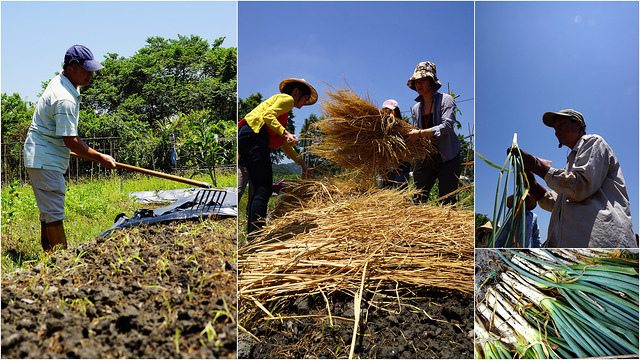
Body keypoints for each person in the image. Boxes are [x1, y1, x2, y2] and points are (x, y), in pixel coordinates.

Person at [23, 45, 117, 251]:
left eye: (91, 70)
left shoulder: (62, 81)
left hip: (41, 154)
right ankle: (61, 263)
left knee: (49, 213)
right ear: (70, 68)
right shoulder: (64, 97)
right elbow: (71, 141)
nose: (90, 75)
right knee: (54, 214)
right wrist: (100, 157)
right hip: (44, 158)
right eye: (85, 70)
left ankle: (48, 259)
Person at [517, 109, 636, 248]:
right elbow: (560, 204)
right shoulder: (571, 163)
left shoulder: (593, 142)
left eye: (561, 124)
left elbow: (580, 186)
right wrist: (532, 184)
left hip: (601, 244)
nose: (556, 130)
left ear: (578, 124)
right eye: (555, 128)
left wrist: (536, 165)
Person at [238, 78, 316, 234]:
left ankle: (252, 235)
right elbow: (268, 116)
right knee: (264, 188)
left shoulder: (281, 109)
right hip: (254, 134)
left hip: (246, 135)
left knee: (258, 187)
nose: (302, 105)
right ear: (296, 92)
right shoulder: (287, 99)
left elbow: (282, 143)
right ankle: (256, 237)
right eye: (305, 98)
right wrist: (286, 133)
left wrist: (301, 163)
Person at [404, 61, 461, 205]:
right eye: (416, 81)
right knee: (417, 197)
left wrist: (420, 133)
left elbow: (447, 126)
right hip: (426, 157)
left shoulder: (446, 100)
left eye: (423, 80)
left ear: (432, 82)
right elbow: (416, 131)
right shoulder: (416, 108)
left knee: (447, 200)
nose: (419, 84)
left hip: (448, 156)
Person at [378, 99, 411, 190]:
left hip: (401, 168)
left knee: (401, 195)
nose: (388, 113)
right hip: (384, 168)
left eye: (391, 111)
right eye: (385, 111)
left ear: (396, 112)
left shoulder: (403, 127)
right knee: (382, 197)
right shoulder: (378, 129)